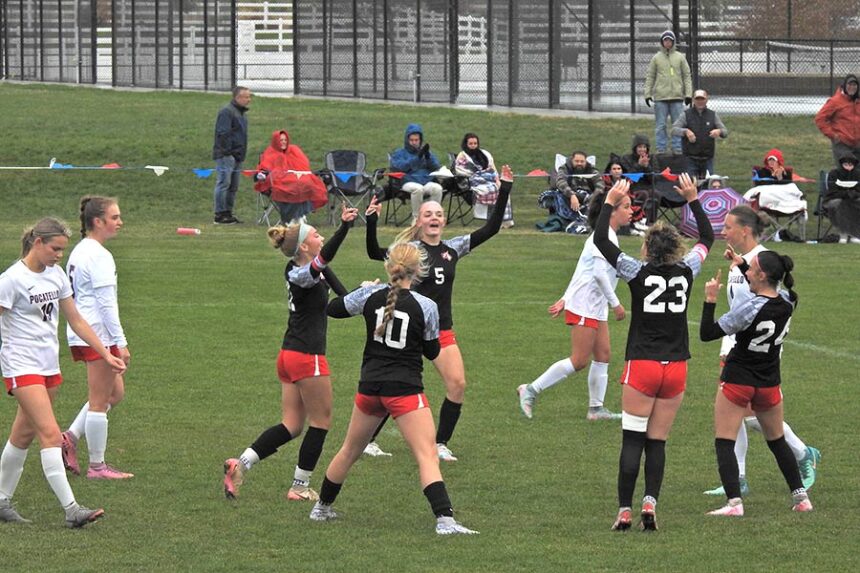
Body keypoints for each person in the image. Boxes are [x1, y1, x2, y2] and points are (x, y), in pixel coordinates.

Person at [309, 242, 478, 535]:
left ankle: (321, 508)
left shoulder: (370, 295)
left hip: (369, 386)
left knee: (349, 450)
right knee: (426, 454)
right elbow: (431, 348)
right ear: (419, 270)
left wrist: (358, 289)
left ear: (389, 267)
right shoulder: (427, 306)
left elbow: (333, 309)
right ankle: (445, 521)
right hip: (404, 389)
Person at [363, 166, 514, 461]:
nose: (434, 218)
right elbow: (373, 252)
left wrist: (505, 187)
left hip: (441, 329)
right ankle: (368, 439)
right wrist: (371, 222)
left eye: (438, 214)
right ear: (418, 221)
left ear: (444, 221)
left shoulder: (453, 248)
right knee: (395, 385)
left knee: (457, 384)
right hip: (409, 329)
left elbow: (491, 228)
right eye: (428, 214)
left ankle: (440, 443)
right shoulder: (408, 250)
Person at [593, 174, 714, 532]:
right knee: (656, 441)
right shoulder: (688, 270)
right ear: (676, 247)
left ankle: (624, 510)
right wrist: (692, 199)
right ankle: (650, 503)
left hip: (643, 364)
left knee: (632, 438)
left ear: (646, 248)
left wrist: (611, 202)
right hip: (676, 366)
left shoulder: (636, 271)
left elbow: (601, 239)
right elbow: (707, 238)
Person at [223, 205, 359, 502]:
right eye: (316, 234)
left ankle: (240, 463)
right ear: (305, 246)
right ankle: (299, 486)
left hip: (289, 355)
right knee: (321, 422)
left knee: (292, 425)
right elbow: (324, 259)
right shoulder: (301, 272)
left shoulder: (316, 269)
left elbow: (343, 299)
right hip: (305, 356)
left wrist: (366, 292)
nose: (320, 236)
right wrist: (345, 227)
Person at [0, 218, 126, 527]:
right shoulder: (11, 280)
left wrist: (105, 354)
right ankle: (71, 510)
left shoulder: (56, 276)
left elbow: (77, 321)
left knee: (23, 434)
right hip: (21, 365)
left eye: (62, 250)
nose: (59, 255)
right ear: (37, 243)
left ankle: (1, 500)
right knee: (50, 434)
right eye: (55, 249)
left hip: (48, 365)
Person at [702, 205, 820, 497]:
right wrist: (739, 264)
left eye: (728, 227)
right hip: (735, 342)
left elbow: (764, 303)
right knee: (740, 413)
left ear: (745, 230)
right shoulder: (745, 263)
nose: (723, 231)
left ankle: (802, 452)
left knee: (750, 412)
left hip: (756, 350)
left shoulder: (763, 262)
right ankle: (739, 475)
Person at [517, 189, 631, 421]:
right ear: (612, 211)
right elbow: (598, 274)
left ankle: (596, 410)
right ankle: (530, 389)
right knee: (579, 360)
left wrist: (565, 296)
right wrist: (616, 304)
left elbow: (583, 269)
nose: (632, 211)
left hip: (594, 304)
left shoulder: (608, 234)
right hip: (586, 304)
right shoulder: (605, 236)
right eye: (627, 206)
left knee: (604, 355)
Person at [60, 197, 133, 480]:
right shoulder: (98, 255)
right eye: (115, 217)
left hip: (85, 332)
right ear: (98, 222)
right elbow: (106, 304)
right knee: (100, 400)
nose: (120, 222)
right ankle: (97, 467)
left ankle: (70, 437)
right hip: (96, 334)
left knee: (115, 393)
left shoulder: (82, 250)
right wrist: (120, 342)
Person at [253, 129, 328, 224]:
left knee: (306, 185)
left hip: (297, 181)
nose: (284, 142)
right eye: (281, 140)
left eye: (285, 140)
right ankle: (295, 216)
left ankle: (299, 214)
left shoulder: (294, 151)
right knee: (292, 188)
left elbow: (304, 167)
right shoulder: (270, 153)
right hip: (278, 183)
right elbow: (264, 169)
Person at [643, 30, 692, 155]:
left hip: (677, 97)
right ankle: (661, 149)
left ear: (673, 41)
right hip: (661, 97)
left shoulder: (680, 57)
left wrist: (688, 94)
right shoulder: (656, 58)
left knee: (678, 125)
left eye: (670, 40)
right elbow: (650, 76)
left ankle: (677, 148)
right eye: (665, 40)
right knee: (661, 125)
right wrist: (648, 94)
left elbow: (686, 76)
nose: (667, 42)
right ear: (662, 42)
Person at [454, 133, 513, 228]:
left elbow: (492, 168)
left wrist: (494, 177)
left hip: (489, 179)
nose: (473, 146)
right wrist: (481, 175)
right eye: (471, 144)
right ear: (466, 144)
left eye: (475, 143)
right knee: (490, 190)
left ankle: (505, 221)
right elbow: (461, 171)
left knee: (503, 190)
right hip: (473, 182)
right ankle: (492, 220)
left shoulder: (484, 154)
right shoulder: (462, 157)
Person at [212, 86, 251, 225]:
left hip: (238, 155)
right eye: (246, 97)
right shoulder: (227, 112)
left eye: (249, 96)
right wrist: (228, 152)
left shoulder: (242, 114)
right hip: (226, 155)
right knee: (224, 183)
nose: (248, 99)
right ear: (237, 97)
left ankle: (228, 212)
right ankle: (219, 213)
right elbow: (223, 134)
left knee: (233, 186)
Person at [671, 89, 728, 179]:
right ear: (693, 100)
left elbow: (725, 132)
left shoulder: (712, 115)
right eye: (697, 99)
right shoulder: (686, 114)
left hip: (708, 158)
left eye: (702, 99)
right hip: (690, 158)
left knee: (708, 185)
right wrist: (685, 131)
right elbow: (674, 130)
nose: (700, 101)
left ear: (706, 100)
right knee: (690, 184)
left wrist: (719, 131)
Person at [390, 123, 444, 218]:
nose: (414, 142)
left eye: (416, 140)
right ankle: (417, 218)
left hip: (426, 181)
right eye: (411, 140)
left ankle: (433, 217)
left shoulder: (426, 152)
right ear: (407, 140)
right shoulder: (400, 153)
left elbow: (436, 168)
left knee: (437, 188)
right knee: (418, 189)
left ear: (420, 140)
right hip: (407, 182)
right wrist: (417, 158)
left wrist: (428, 157)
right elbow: (399, 167)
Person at [814, 74, 860, 167]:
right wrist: (833, 135)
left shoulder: (858, 100)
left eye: (854, 85)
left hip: (858, 144)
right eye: (849, 85)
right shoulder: (835, 101)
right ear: (844, 86)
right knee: (846, 172)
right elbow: (820, 119)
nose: (852, 87)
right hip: (842, 144)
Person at [620, 135, 657, 230]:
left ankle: (651, 222)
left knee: (656, 194)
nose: (642, 149)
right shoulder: (626, 159)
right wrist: (639, 165)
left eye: (645, 147)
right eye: (640, 147)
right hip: (632, 187)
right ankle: (637, 219)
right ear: (635, 148)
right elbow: (628, 177)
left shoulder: (651, 159)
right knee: (643, 194)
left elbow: (653, 179)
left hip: (647, 186)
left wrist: (647, 167)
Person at [823, 154, 860, 244]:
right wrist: (846, 193)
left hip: (853, 199)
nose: (848, 168)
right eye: (846, 165)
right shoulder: (834, 174)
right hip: (834, 199)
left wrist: (852, 194)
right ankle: (843, 233)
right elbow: (832, 190)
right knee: (840, 204)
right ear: (841, 164)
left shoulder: (858, 175)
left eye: (850, 165)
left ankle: (854, 234)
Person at [555, 151, 605, 215]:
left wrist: (593, 199)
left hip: (589, 197)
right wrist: (571, 195)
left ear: (585, 161)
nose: (579, 163)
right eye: (577, 161)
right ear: (572, 160)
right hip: (568, 197)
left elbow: (600, 184)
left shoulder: (592, 169)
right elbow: (560, 181)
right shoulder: (564, 168)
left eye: (582, 161)